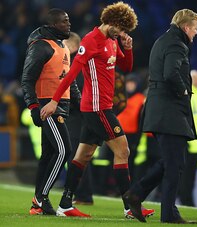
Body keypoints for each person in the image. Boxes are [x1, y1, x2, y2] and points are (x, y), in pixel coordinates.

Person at [40, 2, 154, 219]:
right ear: (110, 21)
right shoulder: (90, 40)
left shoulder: (112, 40)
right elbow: (73, 73)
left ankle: (65, 204)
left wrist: (127, 48)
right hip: (96, 107)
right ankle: (130, 207)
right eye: (121, 28)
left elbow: (126, 67)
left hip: (102, 106)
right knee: (124, 151)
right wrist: (55, 101)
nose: (122, 33)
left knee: (83, 156)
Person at [122, 9, 197, 223]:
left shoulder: (164, 40)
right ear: (186, 27)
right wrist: (184, 91)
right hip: (169, 110)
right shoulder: (177, 43)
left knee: (172, 162)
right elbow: (171, 73)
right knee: (174, 164)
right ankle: (167, 213)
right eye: (195, 29)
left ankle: (137, 194)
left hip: (161, 109)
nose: (195, 33)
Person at [21, 8, 81, 215]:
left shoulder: (62, 46)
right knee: (63, 150)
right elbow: (27, 80)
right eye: (65, 22)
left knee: (48, 155)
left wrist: (82, 105)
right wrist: (34, 107)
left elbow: (68, 80)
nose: (69, 24)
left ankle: (38, 203)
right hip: (47, 106)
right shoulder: (40, 47)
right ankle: (41, 198)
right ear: (54, 25)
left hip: (61, 106)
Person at [63, 32, 94, 205]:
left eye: (64, 44)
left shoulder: (76, 64)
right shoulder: (80, 63)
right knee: (77, 155)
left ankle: (83, 195)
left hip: (77, 117)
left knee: (76, 156)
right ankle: (83, 194)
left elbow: (78, 94)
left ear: (73, 46)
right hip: (79, 116)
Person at [178, 69, 197, 207]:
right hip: (192, 143)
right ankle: (185, 200)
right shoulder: (192, 94)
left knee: (191, 176)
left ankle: (187, 200)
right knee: (187, 176)